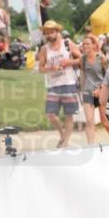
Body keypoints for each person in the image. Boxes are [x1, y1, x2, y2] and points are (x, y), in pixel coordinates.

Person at [37, 20, 82, 148]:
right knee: (50, 114)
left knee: (69, 115)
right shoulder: (44, 49)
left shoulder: (67, 44)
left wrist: (69, 62)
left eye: (51, 32)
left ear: (57, 32)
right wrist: (51, 69)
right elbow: (40, 68)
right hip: (53, 85)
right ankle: (62, 134)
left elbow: (81, 58)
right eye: (46, 33)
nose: (49, 35)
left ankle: (66, 142)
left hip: (69, 82)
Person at [79, 34, 109, 144]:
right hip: (88, 92)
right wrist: (82, 91)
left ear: (93, 45)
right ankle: (90, 147)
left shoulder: (102, 58)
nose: (85, 46)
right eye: (83, 44)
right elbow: (82, 75)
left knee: (105, 121)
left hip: (101, 93)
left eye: (87, 44)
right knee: (89, 121)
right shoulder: (82, 59)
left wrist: (101, 90)